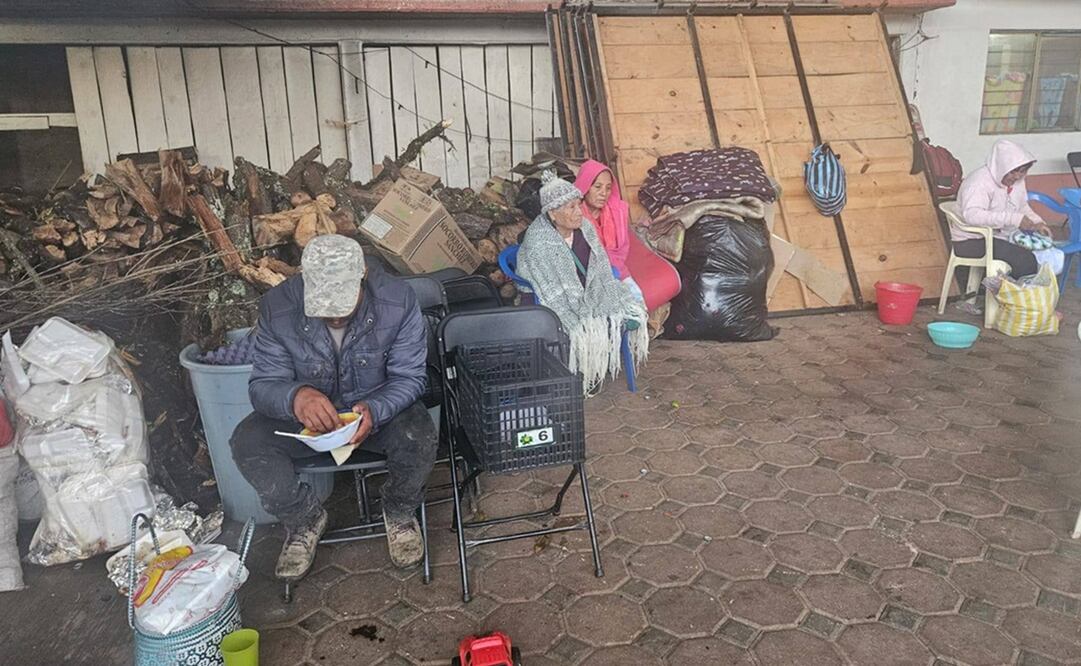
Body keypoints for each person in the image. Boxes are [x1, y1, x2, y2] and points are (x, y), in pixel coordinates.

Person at [230, 234, 437, 583]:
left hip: (377, 412)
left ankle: (400, 511)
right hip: (306, 422)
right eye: (324, 305)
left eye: (343, 304)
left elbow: (410, 377)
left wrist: (376, 408)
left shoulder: (398, 301)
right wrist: (296, 397)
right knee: (247, 442)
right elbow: (263, 385)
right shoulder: (278, 308)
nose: (335, 317)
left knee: (419, 435)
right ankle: (303, 518)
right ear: (304, 283)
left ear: (363, 277)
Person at [518, 170, 648, 390]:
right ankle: (580, 371)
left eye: (579, 204)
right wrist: (577, 296)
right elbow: (549, 285)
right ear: (552, 214)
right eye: (571, 207)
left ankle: (593, 366)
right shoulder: (538, 241)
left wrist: (595, 289)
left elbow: (599, 265)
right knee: (577, 324)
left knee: (620, 306)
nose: (579, 212)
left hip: (588, 288)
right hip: (550, 298)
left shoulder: (584, 228)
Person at [956, 139, 1053, 278]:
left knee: (1043, 252)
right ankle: (1018, 291)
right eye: (1013, 171)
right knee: (1024, 259)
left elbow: (1021, 206)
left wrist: (1037, 222)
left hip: (998, 235)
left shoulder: (1017, 182)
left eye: (1023, 171)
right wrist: (1012, 219)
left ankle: (1020, 288)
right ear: (1001, 167)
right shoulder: (979, 182)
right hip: (971, 240)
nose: (1018, 176)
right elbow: (972, 215)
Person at [574, 160, 644, 303]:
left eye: (608, 188)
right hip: (586, 276)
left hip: (618, 270)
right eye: (597, 187)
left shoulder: (617, 212)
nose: (603, 193)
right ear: (585, 186)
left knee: (637, 304)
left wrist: (613, 269)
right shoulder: (573, 216)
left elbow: (622, 250)